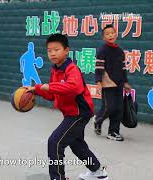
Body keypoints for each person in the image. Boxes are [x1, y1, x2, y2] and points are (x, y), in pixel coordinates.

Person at [26, 34, 108, 180]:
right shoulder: (55, 70)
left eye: (56, 49)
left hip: (79, 113)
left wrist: (47, 86)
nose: (52, 53)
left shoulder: (71, 68)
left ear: (66, 51)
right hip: (71, 113)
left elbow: (74, 87)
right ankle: (98, 172)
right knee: (77, 145)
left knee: (55, 142)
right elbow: (52, 94)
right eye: (49, 50)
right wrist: (36, 90)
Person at [94, 24, 131, 141]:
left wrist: (125, 82)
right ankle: (98, 119)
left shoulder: (120, 51)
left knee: (118, 108)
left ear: (116, 34)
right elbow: (99, 67)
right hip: (108, 83)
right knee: (109, 107)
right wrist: (99, 82)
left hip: (119, 83)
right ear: (103, 37)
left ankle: (113, 132)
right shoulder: (102, 50)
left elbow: (123, 68)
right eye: (107, 34)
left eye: (112, 33)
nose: (110, 35)